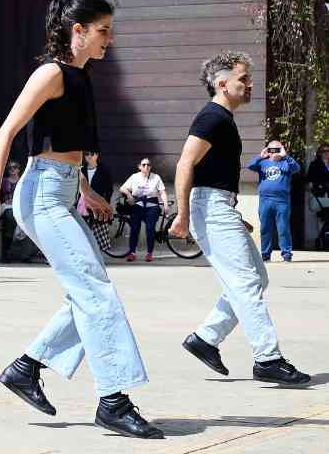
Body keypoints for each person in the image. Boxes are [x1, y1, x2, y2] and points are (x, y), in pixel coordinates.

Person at [0, 0, 162, 439]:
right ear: (77, 30)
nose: (109, 40)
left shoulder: (81, 75)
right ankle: (114, 400)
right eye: (103, 31)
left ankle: (28, 367)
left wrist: (85, 190)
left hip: (58, 190)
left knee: (88, 288)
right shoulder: (51, 73)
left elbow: (63, 146)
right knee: (96, 291)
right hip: (39, 195)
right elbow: (7, 133)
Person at [170, 51, 310, 386]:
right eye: (243, 79)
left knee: (256, 279)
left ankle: (205, 338)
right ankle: (268, 358)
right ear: (221, 84)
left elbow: (211, 174)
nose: (249, 85)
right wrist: (184, 215)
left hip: (220, 208)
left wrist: (231, 213)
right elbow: (185, 164)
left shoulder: (223, 119)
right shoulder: (211, 118)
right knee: (246, 283)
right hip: (210, 208)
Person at [247, 141, 299, 262]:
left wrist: (285, 156)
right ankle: (265, 255)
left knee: (283, 228)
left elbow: (296, 168)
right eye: (272, 150)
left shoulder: (286, 163)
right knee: (265, 228)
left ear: (282, 150)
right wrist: (261, 156)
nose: (274, 152)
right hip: (265, 200)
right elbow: (250, 166)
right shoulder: (263, 163)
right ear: (268, 151)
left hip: (282, 201)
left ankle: (286, 254)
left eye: (277, 149)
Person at [119, 158, 169, 262]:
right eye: (144, 164)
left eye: (148, 165)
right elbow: (122, 188)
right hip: (138, 205)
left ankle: (149, 253)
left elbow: (162, 192)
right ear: (140, 166)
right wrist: (129, 195)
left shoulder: (156, 177)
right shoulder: (134, 177)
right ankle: (132, 252)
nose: (146, 166)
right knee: (135, 229)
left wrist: (165, 204)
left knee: (150, 229)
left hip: (152, 206)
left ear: (151, 167)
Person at [81, 151, 114, 255]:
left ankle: (96, 255)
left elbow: (109, 189)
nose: (89, 157)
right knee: (83, 233)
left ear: (97, 155)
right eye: (87, 154)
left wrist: (105, 203)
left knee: (97, 232)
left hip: (97, 204)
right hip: (82, 205)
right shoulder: (81, 170)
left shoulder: (103, 170)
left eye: (92, 154)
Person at [0, 161, 22, 262]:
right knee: (10, 216)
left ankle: (23, 254)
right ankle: (7, 252)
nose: (12, 170)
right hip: (6, 206)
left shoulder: (23, 180)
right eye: (10, 168)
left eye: (15, 167)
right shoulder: (4, 181)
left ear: (18, 169)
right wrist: (5, 201)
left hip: (20, 206)